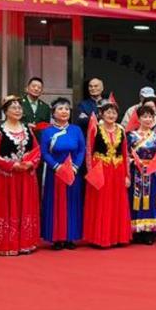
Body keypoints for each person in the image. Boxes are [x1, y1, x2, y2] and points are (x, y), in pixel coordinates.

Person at [0, 96, 41, 256]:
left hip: (26, 177)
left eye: (19, 108)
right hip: (8, 177)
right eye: (13, 108)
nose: (17, 110)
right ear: (5, 111)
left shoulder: (27, 129)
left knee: (26, 207)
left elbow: (37, 150)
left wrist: (31, 163)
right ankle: (7, 244)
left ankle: (26, 243)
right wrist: (11, 165)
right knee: (8, 207)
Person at [83, 100, 132, 248]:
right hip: (100, 169)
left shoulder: (121, 130)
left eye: (114, 113)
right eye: (108, 112)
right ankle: (100, 238)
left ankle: (118, 237)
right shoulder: (95, 128)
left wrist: (127, 175)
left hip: (118, 170)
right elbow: (89, 151)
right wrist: (91, 173)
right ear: (102, 114)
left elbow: (125, 153)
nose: (111, 115)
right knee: (101, 203)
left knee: (117, 203)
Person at [40, 98, 86, 250]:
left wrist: (75, 166)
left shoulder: (76, 130)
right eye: (60, 109)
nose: (64, 111)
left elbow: (82, 150)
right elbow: (44, 153)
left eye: (67, 109)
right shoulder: (47, 132)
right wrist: (56, 166)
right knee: (55, 204)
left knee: (72, 204)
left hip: (73, 173)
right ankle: (56, 238)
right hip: (55, 173)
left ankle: (71, 237)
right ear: (53, 113)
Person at [127, 106, 156, 244]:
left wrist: (154, 163)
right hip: (136, 171)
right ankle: (136, 230)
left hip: (152, 173)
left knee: (151, 199)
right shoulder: (131, 136)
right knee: (135, 199)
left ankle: (149, 231)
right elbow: (126, 154)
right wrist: (133, 161)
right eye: (145, 116)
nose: (148, 119)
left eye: (150, 116)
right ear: (138, 119)